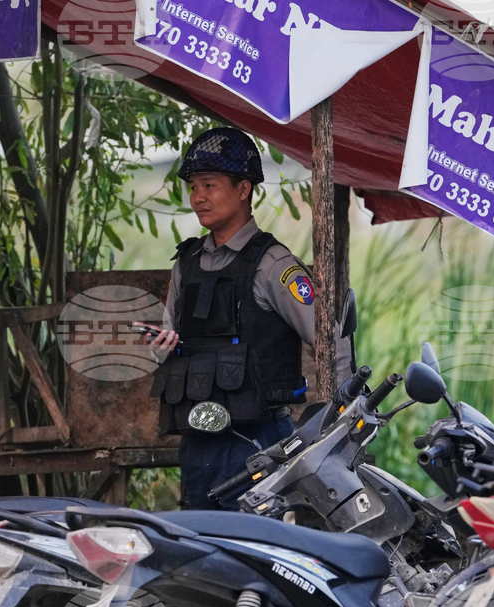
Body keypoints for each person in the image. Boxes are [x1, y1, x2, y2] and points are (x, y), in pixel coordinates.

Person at [141, 127, 353, 510]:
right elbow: (170, 342)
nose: (198, 197)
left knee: (258, 553)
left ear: (244, 190)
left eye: (209, 185)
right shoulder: (186, 264)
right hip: (198, 442)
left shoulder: (273, 264)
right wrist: (161, 348)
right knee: (204, 551)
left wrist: (342, 421)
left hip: (262, 441)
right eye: (193, 187)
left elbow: (329, 340)